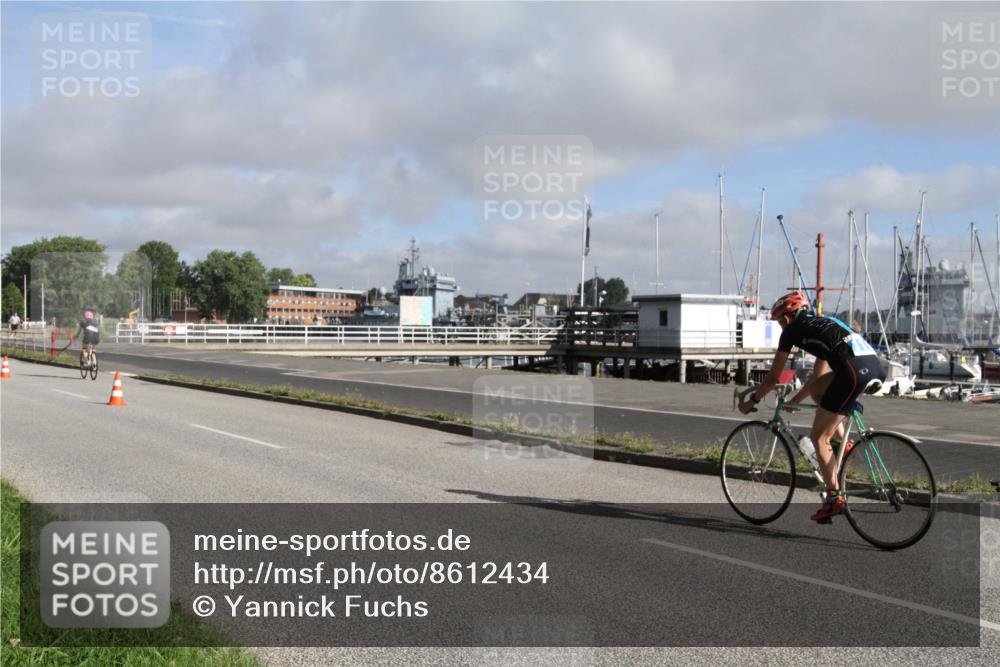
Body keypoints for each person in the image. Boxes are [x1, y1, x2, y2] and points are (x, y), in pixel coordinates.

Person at [739, 291, 886, 523]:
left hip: (853, 374)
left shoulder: (791, 331)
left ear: (786, 318)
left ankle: (833, 499)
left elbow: (773, 378)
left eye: (779, 321)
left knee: (819, 438)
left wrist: (752, 401)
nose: (779, 326)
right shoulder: (825, 323)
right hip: (875, 366)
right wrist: (796, 401)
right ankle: (844, 445)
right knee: (820, 391)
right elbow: (817, 380)